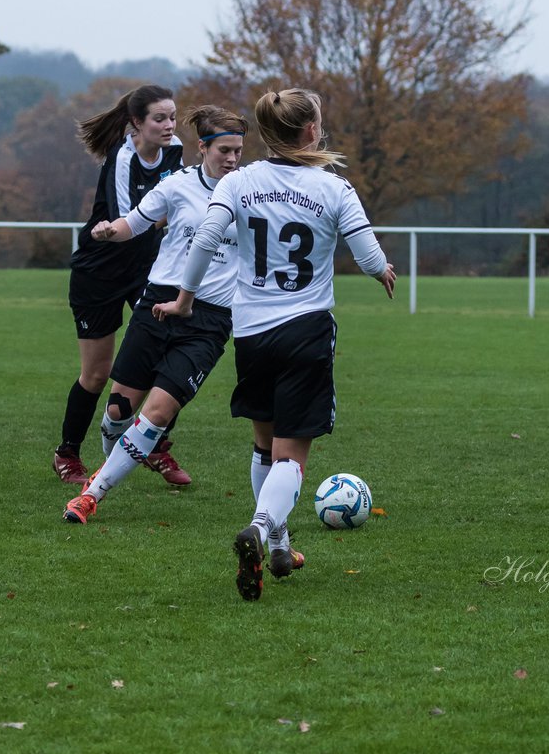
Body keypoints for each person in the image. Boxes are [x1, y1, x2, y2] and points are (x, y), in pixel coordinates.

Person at [154, 88, 396, 601]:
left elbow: (203, 239)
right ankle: (260, 530)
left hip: (251, 332)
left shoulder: (240, 181)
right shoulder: (334, 188)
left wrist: (183, 300)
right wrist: (383, 271)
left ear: (265, 133)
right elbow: (370, 257)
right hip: (306, 330)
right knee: (292, 459)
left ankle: (281, 546)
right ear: (311, 131)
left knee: (264, 445)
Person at [53, 85, 191, 487]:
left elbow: (170, 205)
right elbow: (127, 222)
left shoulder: (174, 149)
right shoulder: (122, 158)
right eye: (159, 119)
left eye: (172, 117)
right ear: (136, 123)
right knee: (96, 374)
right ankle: (67, 453)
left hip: (148, 269)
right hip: (100, 272)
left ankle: (155, 445)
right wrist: (153, 218)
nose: (169, 126)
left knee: (170, 356)